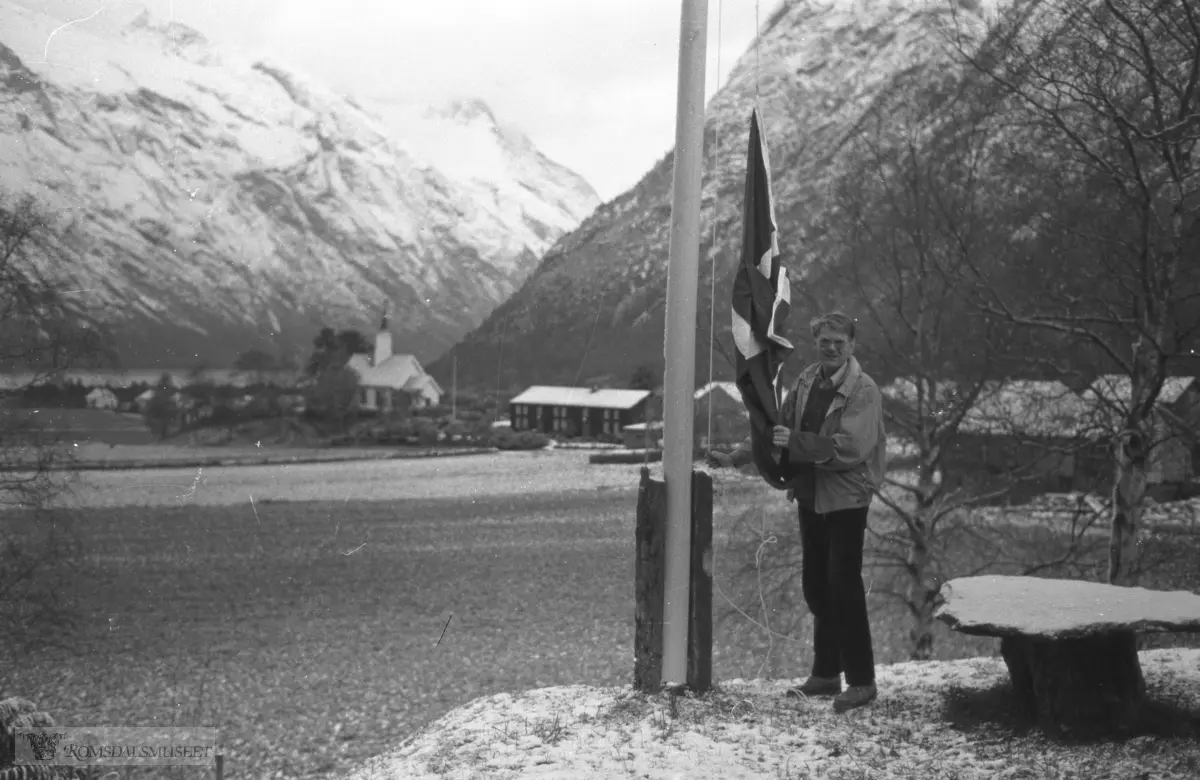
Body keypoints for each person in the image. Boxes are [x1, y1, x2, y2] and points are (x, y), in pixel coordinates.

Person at [710, 311, 886, 713]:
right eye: (825, 340)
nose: (831, 347)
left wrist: (799, 443)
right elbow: (778, 428)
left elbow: (850, 449)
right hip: (810, 496)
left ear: (852, 346)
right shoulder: (807, 380)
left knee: (844, 587)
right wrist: (739, 455)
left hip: (846, 499)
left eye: (839, 341)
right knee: (818, 587)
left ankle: (862, 680)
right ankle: (826, 674)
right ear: (815, 341)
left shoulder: (865, 391)